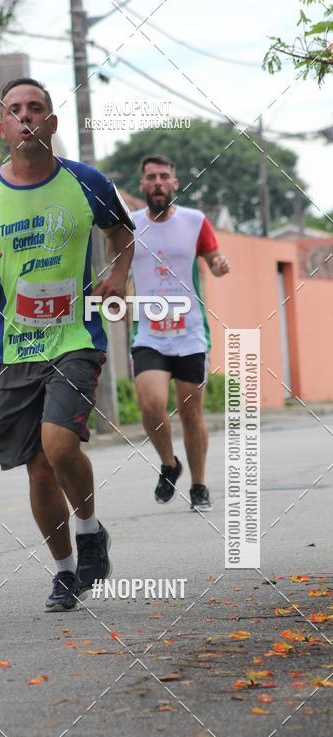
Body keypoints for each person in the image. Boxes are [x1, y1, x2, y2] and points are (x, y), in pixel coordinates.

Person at [0, 78, 134, 611]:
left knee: (59, 444)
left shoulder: (86, 181)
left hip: (75, 337)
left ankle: (90, 528)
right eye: (15, 109)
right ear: (2, 126)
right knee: (36, 469)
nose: (26, 116)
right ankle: (64, 571)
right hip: (12, 350)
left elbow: (122, 233)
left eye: (37, 108)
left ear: (52, 123)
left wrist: (117, 276)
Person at [129, 154, 230, 512]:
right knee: (150, 402)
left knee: (191, 413)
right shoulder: (129, 225)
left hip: (189, 331)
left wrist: (218, 265)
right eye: (151, 177)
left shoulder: (195, 221)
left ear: (174, 183)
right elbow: (115, 263)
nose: (158, 182)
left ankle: (199, 485)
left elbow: (214, 262)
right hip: (149, 331)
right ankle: (169, 463)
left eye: (164, 176)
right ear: (142, 185)